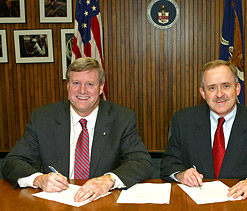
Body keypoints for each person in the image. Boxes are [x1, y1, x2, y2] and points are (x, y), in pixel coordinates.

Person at [1, 57, 153, 202]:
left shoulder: (122, 118)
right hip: (56, 202)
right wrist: (39, 179)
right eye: (76, 83)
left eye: (90, 84)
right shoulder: (43, 118)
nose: (82, 91)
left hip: (103, 202)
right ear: (67, 86)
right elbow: (12, 162)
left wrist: (108, 180)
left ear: (101, 88)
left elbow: (142, 162)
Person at [160, 60, 247, 200]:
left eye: (226, 86)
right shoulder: (184, 121)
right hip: (195, 203)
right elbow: (169, 163)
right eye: (212, 88)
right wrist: (181, 174)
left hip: (245, 203)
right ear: (203, 93)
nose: (220, 94)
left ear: (237, 89)